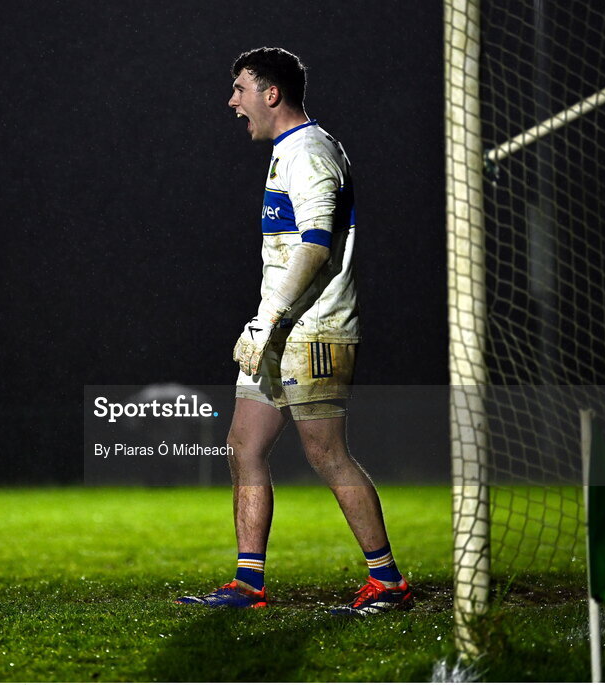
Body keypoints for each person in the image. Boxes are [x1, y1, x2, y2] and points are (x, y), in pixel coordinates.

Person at [176, 47, 413, 616]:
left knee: (327, 454)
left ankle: (388, 583)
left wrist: (267, 317)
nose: (233, 102)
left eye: (240, 89)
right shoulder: (289, 151)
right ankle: (248, 584)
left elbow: (315, 243)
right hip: (279, 330)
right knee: (243, 444)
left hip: (315, 331)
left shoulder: (308, 150)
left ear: (271, 93)